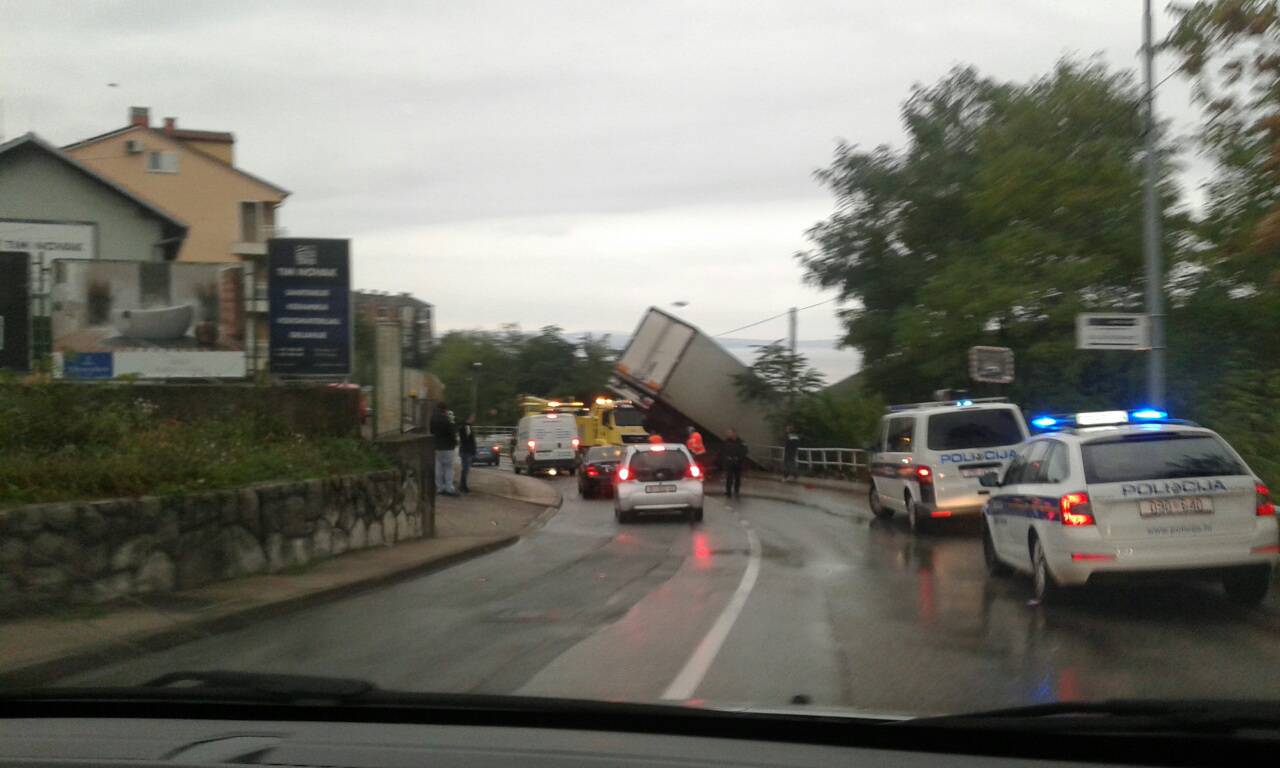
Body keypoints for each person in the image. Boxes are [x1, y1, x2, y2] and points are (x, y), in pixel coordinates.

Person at [430, 401, 458, 496]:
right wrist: (454, 443)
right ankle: (449, 487)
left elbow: (431, 431)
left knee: (438, 467)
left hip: (437, 446)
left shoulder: (432, 418)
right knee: (449, 468)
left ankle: (439, 487)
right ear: (445, 409)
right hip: (448, 447)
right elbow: (451, 433)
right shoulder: (447, 419)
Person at [721, 428, 748, 499]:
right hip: (729, 462)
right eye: (728, 433)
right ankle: (728, 491)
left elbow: (744, 451)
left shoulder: (741, 442)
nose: (728, 434)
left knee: (737, 478)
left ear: (734, 433)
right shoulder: (726, 441)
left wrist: (739, 458)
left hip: (738, 462)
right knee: (729, 477)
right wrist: (725, 459)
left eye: (729, 433)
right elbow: (723, 451)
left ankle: (736, 491)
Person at [458, 414, 478, 494]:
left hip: (465, 451)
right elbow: (468, 440)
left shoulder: (466, 427)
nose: (474, 420)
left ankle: (463, 485)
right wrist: (472, 449)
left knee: (465, 469)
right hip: (467, 451)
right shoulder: (467, 427)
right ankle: (463, 486)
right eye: (473, 418)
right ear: (469, 418)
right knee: (465, 469)